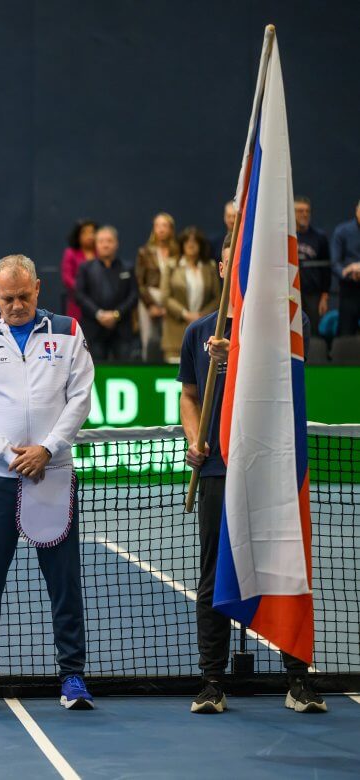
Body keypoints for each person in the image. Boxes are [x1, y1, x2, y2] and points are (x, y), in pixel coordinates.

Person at [179, 239, 326, 714]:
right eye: (234, 262)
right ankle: (211, 683)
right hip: (217, 471)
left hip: (272, 469)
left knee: (285, 567)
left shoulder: (285, 327)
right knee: (212, 575)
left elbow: (280, 377)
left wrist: (237, 353)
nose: (241, 269)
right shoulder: (198, 332)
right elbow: (189, 395)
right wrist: (194, 440)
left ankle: (298, 681)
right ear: (223, 269)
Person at [0, 254, 95, 712]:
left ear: (37, 289)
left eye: (23, 296)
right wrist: (7, 453)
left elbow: (80, 397)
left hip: (54, 475)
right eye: (7, 298)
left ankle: (72, 675)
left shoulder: (68, 332)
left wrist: (47, 449)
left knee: (64, 582)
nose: (16, 305)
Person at [74, 226, 139, 361]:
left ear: (116, 243)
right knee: (95, 368)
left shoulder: (128, 268)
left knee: (124, 368)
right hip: (94, 329)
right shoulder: (85, 268)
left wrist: (116, 314)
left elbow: (134, 295)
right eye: (101, 241)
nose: (105, 245)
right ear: (96, 244)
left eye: (109, 241)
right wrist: (99, 314)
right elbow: (80, 295)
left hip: (122, 329)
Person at [161, 227, 219, 363]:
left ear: (200, 245)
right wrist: (185, 314)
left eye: (195, 241)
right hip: (176, 333)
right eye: (187, 241)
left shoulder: (209, 266)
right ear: (182, 244)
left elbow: (218, 297)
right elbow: (165, 296)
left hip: (204, 331)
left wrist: (201, 316)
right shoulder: (172, 265)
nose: (191, 245)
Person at [135, 212, 179, 361]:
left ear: (171, 229)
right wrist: (150, 305)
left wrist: (171, 305)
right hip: (150, 297)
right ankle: (148, 365)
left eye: (164, 225)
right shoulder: (144, 252)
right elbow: (140, 282)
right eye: (157, 225)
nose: (161, 229)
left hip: (171, 298)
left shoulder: (177, 252)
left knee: (171, 337)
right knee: (149, 338)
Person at [294, 196, 331, 337]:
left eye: (307, 211)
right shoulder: (285, 236)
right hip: (291, 294)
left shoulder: (319, 237)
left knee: (312, 333)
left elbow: (326, 269)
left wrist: (324, 297)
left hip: (313, 295)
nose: (304, 214)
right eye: (300, 211)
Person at [330, 199, 360, 337]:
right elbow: (335, 263)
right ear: (357, 210)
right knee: (346, 333)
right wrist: (347, 273)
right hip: (349, 290)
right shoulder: (342, 231)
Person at [61, 220, 97, 322]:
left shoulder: (100, 253)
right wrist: (82, 289)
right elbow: (67, 278)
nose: (90, 236)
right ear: (78, 236)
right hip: (78, 302)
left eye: (92, 232)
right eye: (85, 232)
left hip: (99, 302)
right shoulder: (70, 253)